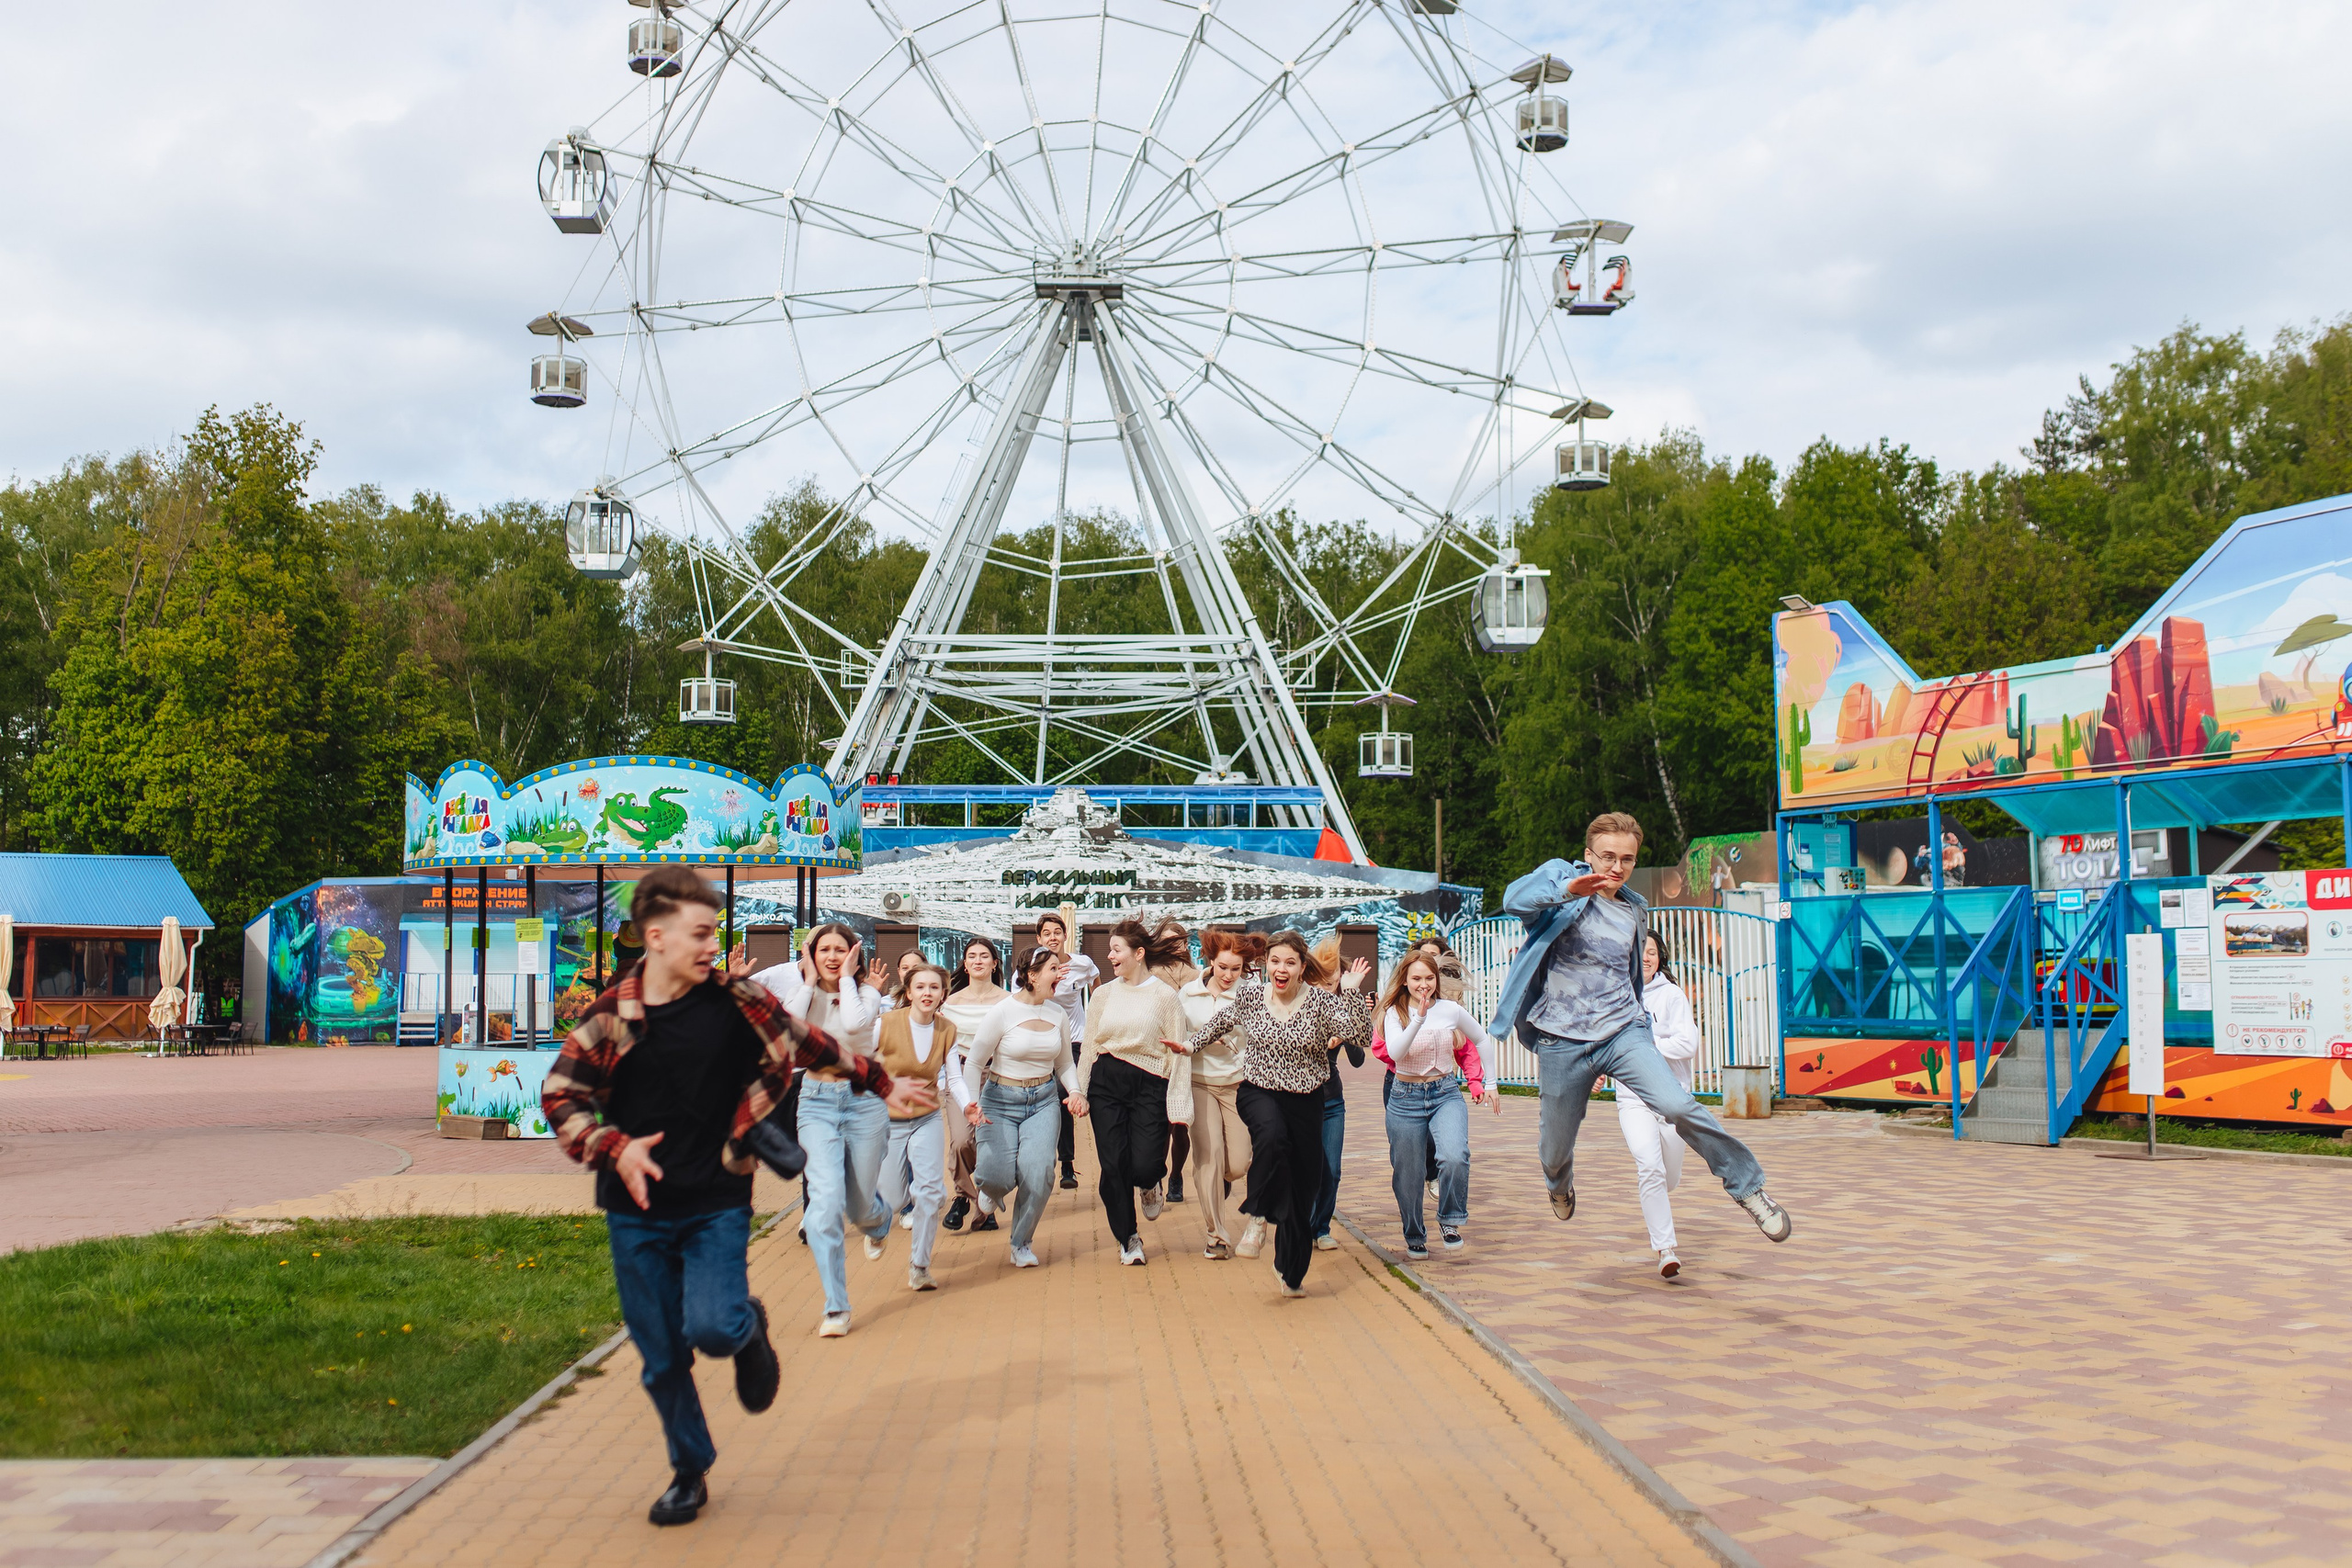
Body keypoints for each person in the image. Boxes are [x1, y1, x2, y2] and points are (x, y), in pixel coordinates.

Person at [541, 866, 933, 1528]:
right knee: (662, 1355)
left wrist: (881, 1083)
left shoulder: (737, 1001)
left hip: (716, 1197)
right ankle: (688, 1469)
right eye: (698, 934)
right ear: (655, 935)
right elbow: (561, 1093)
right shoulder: (613, 1012)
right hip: (633, 1209)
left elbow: (811, 1041)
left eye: (712, 932)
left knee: (714, 1327)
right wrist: (613, 1146)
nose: (709, 946)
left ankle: (745, 1324)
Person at [1488, 812, 1792, 1243]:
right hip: (1562, 1039)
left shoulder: (1634, 909)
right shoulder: (1561, 880)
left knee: (1678, 1105)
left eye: (1627, 859)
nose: (1616, 867)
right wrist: (1565, 890)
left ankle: (1749, 1188)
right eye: (1607, 857)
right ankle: (1558, 1183)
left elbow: (1630, 972)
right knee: (1554, 1149)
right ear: (1588, 854)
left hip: (1623, 1031)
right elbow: (1515, 898)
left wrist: (1639, 1022)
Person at [1185, 931, 1371, 1297]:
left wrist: (1349, 992)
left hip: (1307, 1100)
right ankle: (1257, 1220)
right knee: (1270, 1137)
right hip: (1259, 1091)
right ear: (1266, 964)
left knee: (1303, 1190)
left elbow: (1360, 1037)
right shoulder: (1252, 995)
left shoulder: (1320, 1002)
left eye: (1289, 962)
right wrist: (1191, 1043)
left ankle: (1291, 1272)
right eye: (1275, 961)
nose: (1281, 969)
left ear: (1303, 968)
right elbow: (1223, 1021)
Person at [751, 924, 890, 1337]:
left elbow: (853, 1024)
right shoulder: (802, 995)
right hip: (815, 1102)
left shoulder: (865, 994)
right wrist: (809, 983)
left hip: (864, 1102)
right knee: (824, 1203)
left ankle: (877, 1223)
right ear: (810, 953)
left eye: (840, 949)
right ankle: (836, 1307)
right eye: (823, 949)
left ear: (854, 953)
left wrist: (846, 978)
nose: (832, 956)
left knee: (861, 1205)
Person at [1077, 919, 1193, 1266]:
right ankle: (1128, 1238)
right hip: (1106, 1081)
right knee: (1113, 1167)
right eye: (1110, 949)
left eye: (1116, 950)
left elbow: (1179, 1052)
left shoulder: (1165, 996)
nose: (1109, 956)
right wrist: (1080, 1090)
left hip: (1150, 1082)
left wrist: (1179, 1105)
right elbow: (1089, 1047)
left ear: (1138, 954)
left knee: (1143, 1165)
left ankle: (1149, 1183)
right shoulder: (1103, 994)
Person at [1372, 952, 1500, 1260]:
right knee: (1409, 1173)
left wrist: (1490, 1082)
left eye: (1429, 978)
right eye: (1417, 979)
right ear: (1405, 980)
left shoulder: (1450, 1010)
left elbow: (1481, 1040)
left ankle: (1450, 1220)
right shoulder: (1393, 1012)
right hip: (1404, 1096)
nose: (1424, 985)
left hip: (1444, 1092)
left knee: (1455, 1155)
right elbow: (1396, 1051)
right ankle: (1414, 1234)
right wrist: (1418, 1017)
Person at [963, 946, 1081, 1268]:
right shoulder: (1002, 1012)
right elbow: (974, 1063)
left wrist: (1075, 1091)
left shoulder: (1058, 1014)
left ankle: (1021, 1242)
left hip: (1043, 1101)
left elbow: (1065, 1064)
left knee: (1040, 1172)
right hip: (999, 1100)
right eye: (1054, 969)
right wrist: (971, 1104)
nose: (1061, 974)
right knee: (995, 1176)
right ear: (1032, 975)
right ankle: (993, 1187)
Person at [873, 962, 960, 1291]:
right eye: (920, 987)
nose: (927, 993)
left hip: (926, 1118)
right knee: (893, 1199)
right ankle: (877, 1227)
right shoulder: (884, 1024)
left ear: (942, 994)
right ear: (908, 992)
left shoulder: (947, 1029)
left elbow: (953, 1076)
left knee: (928, 1193)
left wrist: (967, 1104)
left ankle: (919, 1266)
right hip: (889, 1121)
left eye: (934, 987)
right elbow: (861, 1065)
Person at [1622, 928, 1700, 1278]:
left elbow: (1688, 1045)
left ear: (1660, 957)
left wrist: (1648, 1047)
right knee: (1648, 1168)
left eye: (1651, 951)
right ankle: (1665, 1249)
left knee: (1667, 1177)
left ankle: (1662, 1190)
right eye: (1640, 951)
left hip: (1671, 1097)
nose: (1646, 957)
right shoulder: (1617, 997)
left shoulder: (1672, 996)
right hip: (1632, 1095)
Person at [1177, 930, 1259, 1258]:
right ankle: (1217, 1235)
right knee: (1207, 1158)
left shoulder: (1251, 995)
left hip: (1238, 1083)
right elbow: (1177, 1032)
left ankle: (1223, 1180)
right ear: (1210, 961)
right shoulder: (1188, 993)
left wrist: (1235, 1043)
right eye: (1223, 967)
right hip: (1198, 1082)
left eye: (1235, 969)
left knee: (1237, 1165)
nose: (1228, 975)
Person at [940, 936, 1006, 1235]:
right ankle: (965, 1196)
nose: (977, 960)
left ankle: (982, 1209)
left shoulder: (1009, 1001)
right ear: (965, 965)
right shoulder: (950, 1004)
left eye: (984, 956)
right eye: (971, 956)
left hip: (998, 1075)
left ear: (994, 963)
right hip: (961, 1075)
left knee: (988, 1143)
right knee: (961, 1141)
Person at [1305, 937, 1365, 1255]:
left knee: (1333, 1169)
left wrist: (1347, 1029)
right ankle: (1301, 1225)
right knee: (1307, 1167)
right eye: (1321, 981)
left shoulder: (1341, 1007)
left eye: (1333, 982)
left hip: (1332, 1101)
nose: (1327, 988)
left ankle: (1322, 1227)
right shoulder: (1298, 1006)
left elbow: (1358, 1059)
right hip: (1301, 1100)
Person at [1031, 906, 1097, 1190]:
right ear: (1039, 938)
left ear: (1065, 936)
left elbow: (1096, 981)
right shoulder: (1031, 965)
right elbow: (1022, 997)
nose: (1052, 937)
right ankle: (1049, 1161)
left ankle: (1067, 1164)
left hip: (1075, 1040)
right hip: (1043, 1041)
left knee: (1062, 1093)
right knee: (1048, 1100)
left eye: (1057, 932)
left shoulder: (1081, 963)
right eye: (1047, 933)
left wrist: (1097, 1012)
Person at [1151, 919, 1200, 1204]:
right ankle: (1156, 1171)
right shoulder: (1151, 973)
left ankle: (1176, 1175)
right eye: (1166, 941)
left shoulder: (1197, 976)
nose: (1172, 947)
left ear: (1184, 944)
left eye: (1177, 941)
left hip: (1189, 1054)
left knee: (1180, 1122)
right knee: (1159, 1122)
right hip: (1158, 1054)